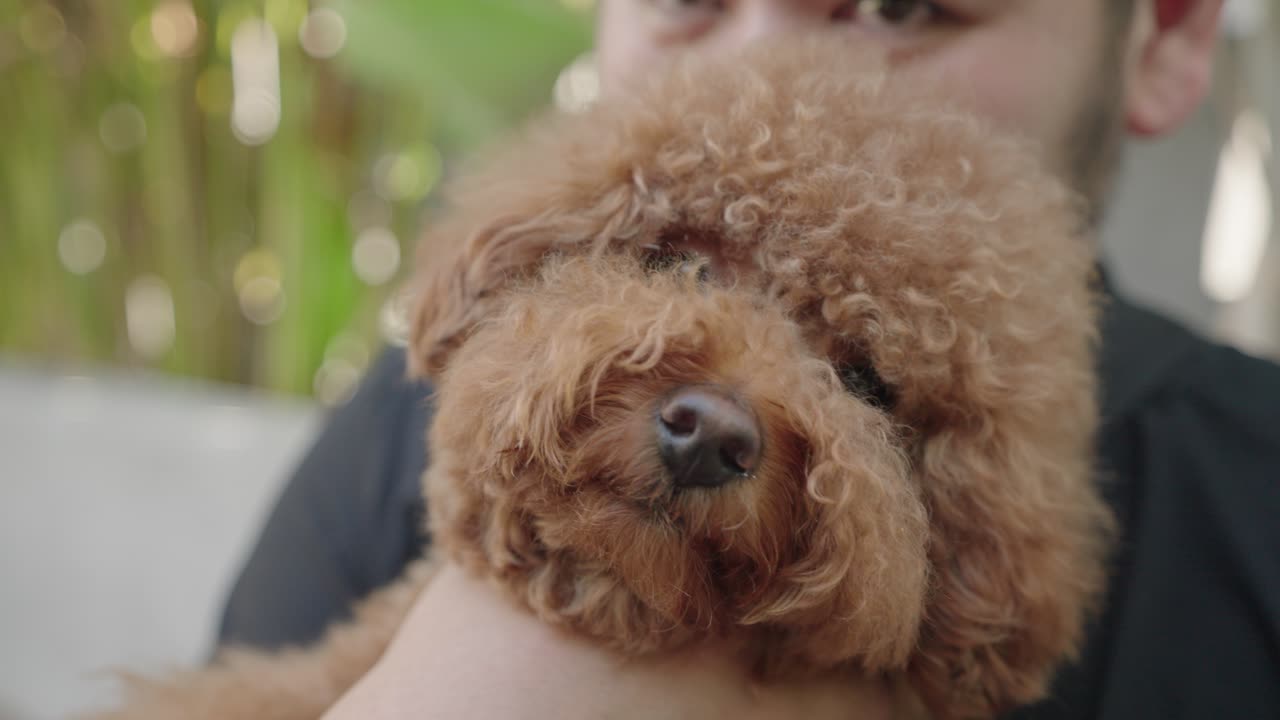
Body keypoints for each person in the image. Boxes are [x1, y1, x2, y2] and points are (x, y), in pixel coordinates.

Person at [219, 1, 1280, 717]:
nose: (755, 63)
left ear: (1165, 34)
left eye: (900, 5)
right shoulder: (388, 433)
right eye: (677, 265)